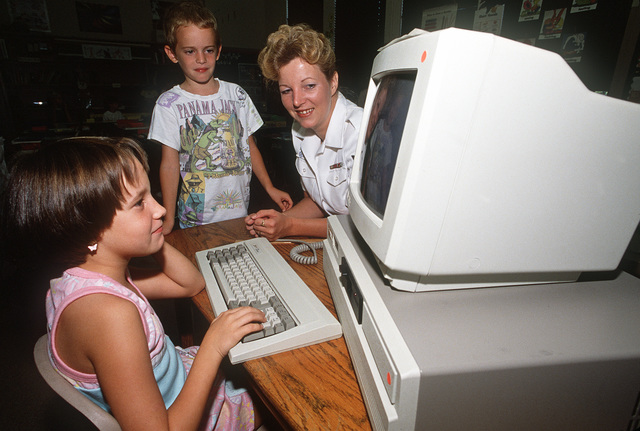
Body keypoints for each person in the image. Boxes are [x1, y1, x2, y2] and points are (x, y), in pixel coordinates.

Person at [3, 137, 266, 430]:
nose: (161, 210)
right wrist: (213, 346)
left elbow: (190, 284)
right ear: (87, 230)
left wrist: (152, 234)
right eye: (139, 203)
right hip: (185, 414)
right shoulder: (108, 314)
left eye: (150, 195)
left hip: (178, 379)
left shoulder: (90, 280)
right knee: (276, 394)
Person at [149, 1, 292, 235]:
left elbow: (249, 145)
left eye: (208, 50)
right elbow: (169, 163)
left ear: (219, 50)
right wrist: (168, 216)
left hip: (238, 212)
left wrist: (269, 187)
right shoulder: (168, 103)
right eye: (189, 51)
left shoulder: (237, 94)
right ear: (172, 54)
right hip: (195, 216)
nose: (201, 59)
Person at [245, 24, 363, 241]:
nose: (297, 101)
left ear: (333, 81)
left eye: (309, 86)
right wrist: (276, 222)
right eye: (286, 91)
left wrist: (289, 226)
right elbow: (317, 203)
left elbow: (361, 228)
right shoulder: (300, 130)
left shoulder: (361, 133)